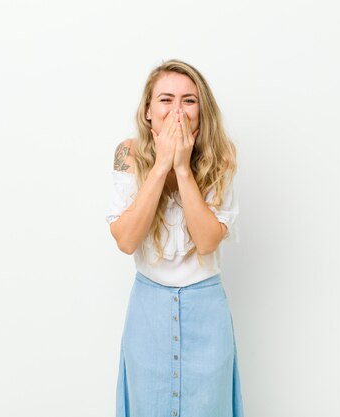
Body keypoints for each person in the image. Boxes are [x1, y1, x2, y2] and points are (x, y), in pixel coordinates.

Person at [106, 59, 244, 417]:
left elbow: (207, 240)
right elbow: (126, 240)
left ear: (202, 110)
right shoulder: (128, 154)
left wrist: (182, 168)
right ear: (148, 111)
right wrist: (161, 165)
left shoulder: (221, 156)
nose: (177, 111)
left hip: (206, 311)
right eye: (166, 100)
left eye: (189, 100)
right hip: (148, 312)